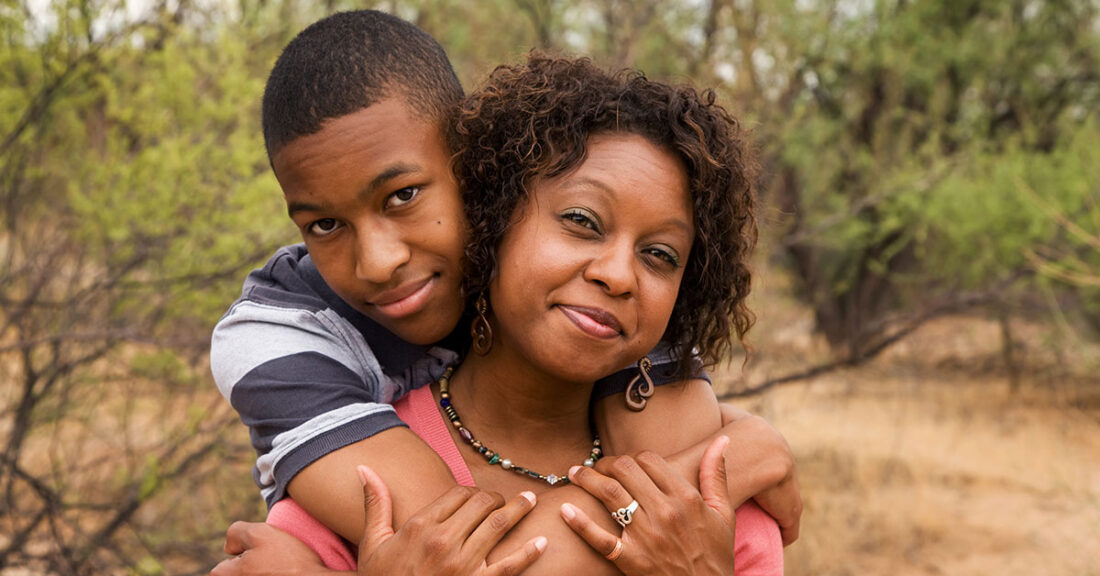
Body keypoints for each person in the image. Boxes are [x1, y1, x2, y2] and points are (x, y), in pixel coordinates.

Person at [210, 10, 799, 574]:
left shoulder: (717, 520)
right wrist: (747, 456)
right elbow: (443, 545)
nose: (379, 262)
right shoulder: (279, 343)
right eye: (580, 221)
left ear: (475, 176)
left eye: (403, 196)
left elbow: (672, 488)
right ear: (502, 200)